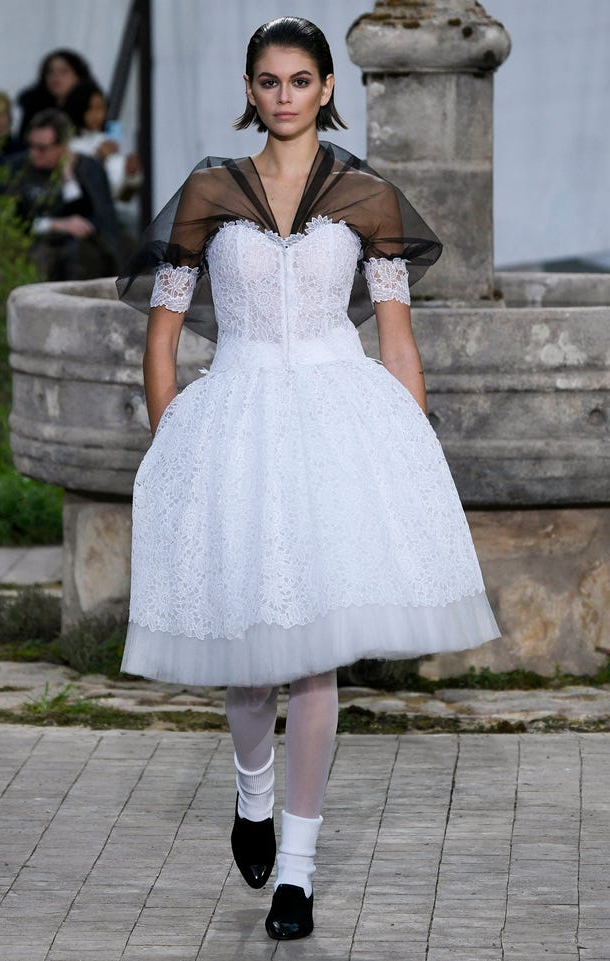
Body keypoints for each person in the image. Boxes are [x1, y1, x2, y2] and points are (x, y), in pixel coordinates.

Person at [117, 16, 500, 941]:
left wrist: (411, 448)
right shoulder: (210, 192)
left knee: (314, 656)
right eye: (268, 80)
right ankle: (252, 795)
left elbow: (396, 339)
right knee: (250, 661)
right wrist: (172, 442)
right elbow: (162, 338)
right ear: (250, 90)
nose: (284, 95)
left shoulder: (368, 197)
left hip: (336, 424)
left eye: (300, 80)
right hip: (237, 421)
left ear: (328, 87)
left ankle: (298, 868)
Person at [8, 108, 121, 281]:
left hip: (80, 255)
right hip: (34, 248)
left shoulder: (88, 169)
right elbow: (14, 220)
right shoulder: (18, 169)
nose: (33, 153)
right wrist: (54, 224)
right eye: (31, 145)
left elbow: (97, 220)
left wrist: (68, 178)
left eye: (42, 148)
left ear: (62, 147)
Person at [64, 80, 142, 233]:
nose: (97, 115)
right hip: (84, 213)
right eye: (91, 109)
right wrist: (99, 160)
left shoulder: (109, 139)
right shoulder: (69, 143)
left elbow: (125, 196)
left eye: (101, 108)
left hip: (113, 210)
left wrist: (131, 173)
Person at [16, 49, 93, 142]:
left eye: (63, 72)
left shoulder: (92, 106)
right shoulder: (33, 107)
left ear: (78, 76)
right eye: (50, 72)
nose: (56, 76)